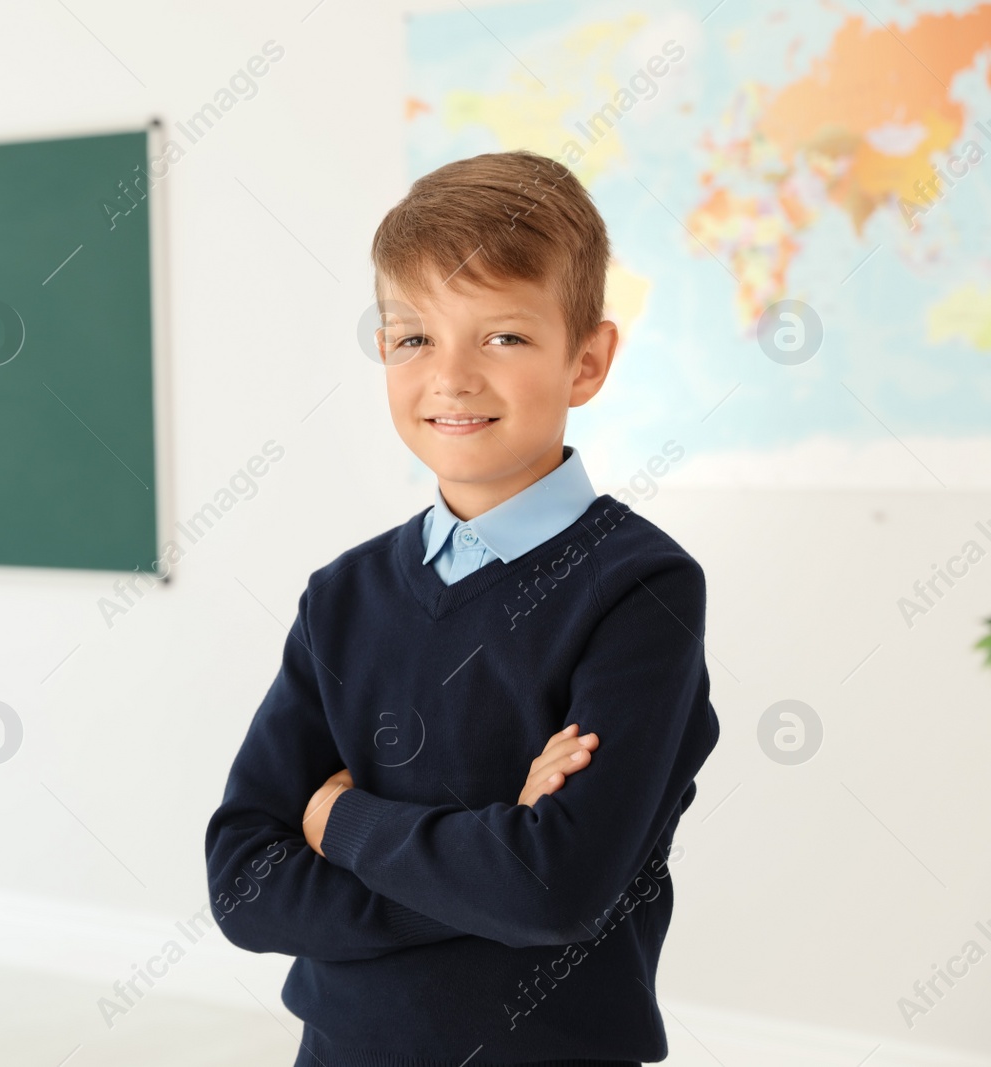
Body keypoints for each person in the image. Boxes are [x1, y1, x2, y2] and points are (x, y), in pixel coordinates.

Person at [203, 148, 721, 1066]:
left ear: (588, 361)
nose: (450, 376)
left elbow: (553, 889)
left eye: (504, 337)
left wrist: (342, 824)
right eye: (414, 338)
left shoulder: (642, 589)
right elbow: (245, 886)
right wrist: (486, 860)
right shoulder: (343, 596)